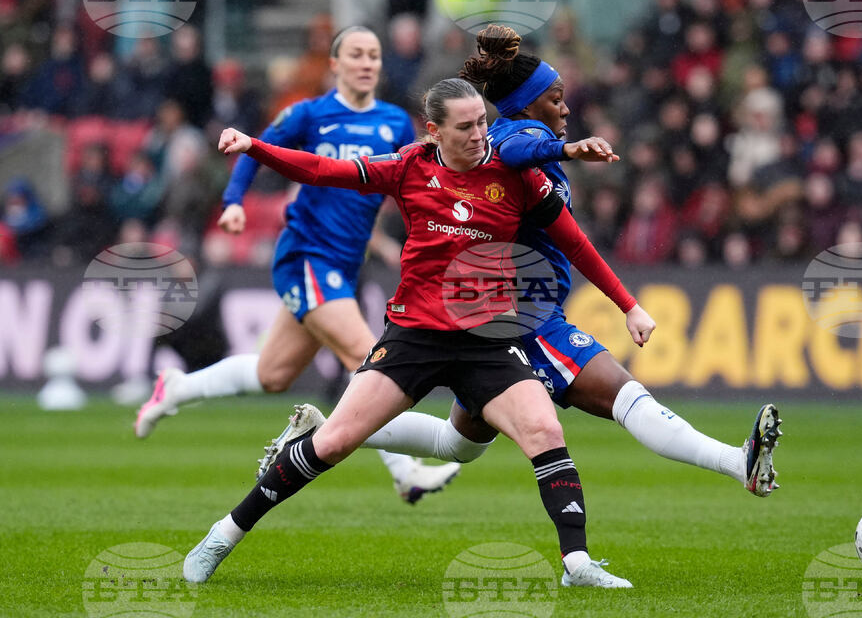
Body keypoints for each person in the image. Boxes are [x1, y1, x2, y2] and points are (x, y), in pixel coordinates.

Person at [183, 77, 656, 588]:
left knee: (545, 432)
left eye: (482, 121)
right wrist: (255, 147)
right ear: (434, 132)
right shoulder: (409, 167)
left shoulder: (516, 175)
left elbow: (577, 243)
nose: (481, 135)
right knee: (336, 441)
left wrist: (629, 305)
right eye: (466, 126)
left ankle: (577, 564)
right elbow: (323, 170)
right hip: (415, 335)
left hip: (490, 340)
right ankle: (225, 532)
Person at [288, 24, 782, 500]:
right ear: (527, 104)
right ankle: (738, 463)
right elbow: (522, 145)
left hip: (495, 317)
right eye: (556, 97)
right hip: (525, 317)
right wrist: (564, 149)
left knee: (456, 444)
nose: (565, 107)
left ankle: (318, 438)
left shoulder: (506, 145)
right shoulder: (510, 143)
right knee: (627, 397)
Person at [133, 26, 460, 503]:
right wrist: (233, 201)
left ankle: (177, 388)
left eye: (374, 54)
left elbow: (405, 184)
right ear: (335, 63)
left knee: (274, 374)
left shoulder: (393, 123)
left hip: (346, 262)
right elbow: (252, 148)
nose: (367, 62)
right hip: (307, 255)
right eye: (356, 54)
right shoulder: (310, 114)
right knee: (370, 359)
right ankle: (406, 472)